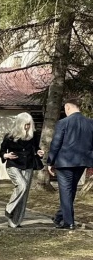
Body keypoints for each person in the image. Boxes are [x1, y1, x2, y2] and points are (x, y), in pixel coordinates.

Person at [46, 98, 93, 230]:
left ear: (68, 107)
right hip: (82, 162)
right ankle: (60, 216)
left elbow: (56, 143)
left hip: (64, 162)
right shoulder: (90, 123)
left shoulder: (63, 123)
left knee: (66, 191)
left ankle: (68, 222)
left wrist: (50, 161)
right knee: (71, 190)